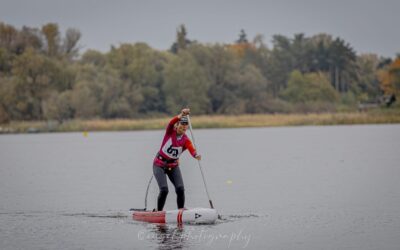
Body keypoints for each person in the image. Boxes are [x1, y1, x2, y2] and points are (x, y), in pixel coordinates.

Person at [153, 108, 201, 211]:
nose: (183, 126)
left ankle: (181, 211)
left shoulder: (186, 140)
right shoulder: (170, 132)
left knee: (180, 189)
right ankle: (159, 211)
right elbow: (171, 122)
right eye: (181, 124)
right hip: (159, 164)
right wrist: (181, 114)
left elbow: (191, 149)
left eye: (185, 125)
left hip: (173, 166)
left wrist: (196, 155)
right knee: (164, 190)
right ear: (177, 125)